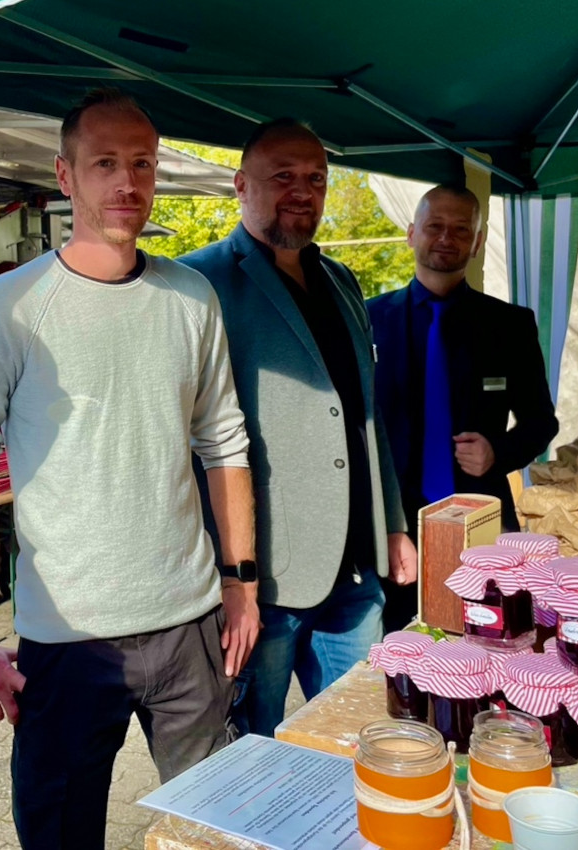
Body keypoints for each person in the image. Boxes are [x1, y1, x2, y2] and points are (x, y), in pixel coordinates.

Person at [0, 88, 258, 850]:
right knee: (60, 835)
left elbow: (225, 445)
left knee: (213, 829)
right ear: (66, 176)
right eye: (104, 163)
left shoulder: (190, 297)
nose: (127, 182)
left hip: (190, 626)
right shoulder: (10, 306)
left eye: (141, 164)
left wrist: (241, 585)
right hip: (69, 640)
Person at [180, 118, 416, 737]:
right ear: (241, 185)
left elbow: (364, 417)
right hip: (264, 584)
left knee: (361, 739)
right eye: (282, 176)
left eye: (315, 178)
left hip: (354, 575)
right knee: (253, 749)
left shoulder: (341, 281)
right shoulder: (196, 282)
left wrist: (391, 524)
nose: (301, 191)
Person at [367, 184, 559, 632]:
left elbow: (540, 421)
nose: (446, 238)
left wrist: (499, 451)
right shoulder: (368, 319)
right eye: (434, 226)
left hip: (481, 519)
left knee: (488, 641)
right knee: (398, 656)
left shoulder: (510, 325)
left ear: (476, 242)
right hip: (393, 526)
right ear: (412, 233)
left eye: (460, 230)